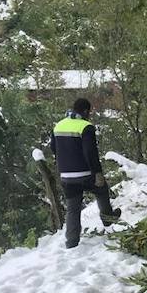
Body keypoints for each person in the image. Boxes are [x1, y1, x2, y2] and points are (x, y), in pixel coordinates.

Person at [50, 98, 121, 248]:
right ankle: (108, 218)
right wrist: (98, 173)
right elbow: (90, 153)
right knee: (101, 190)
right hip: (84, 173)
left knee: (73, 208)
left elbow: (53, 148)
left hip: (66, 176)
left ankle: (71, 241)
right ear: (85, 111)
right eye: (89, 112)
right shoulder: (86, 127)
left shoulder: (59, 125)